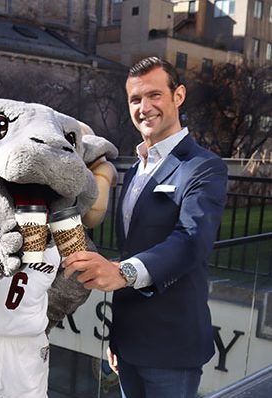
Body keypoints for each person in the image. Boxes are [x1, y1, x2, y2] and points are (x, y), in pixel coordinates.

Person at [62, 56, 228, 398]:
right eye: (135, 99)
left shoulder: (204, 167)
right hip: (129, 344)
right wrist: (118, 338)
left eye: (154, 95)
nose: (144, 107)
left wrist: (120, 273)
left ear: (177, 96)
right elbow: (133, 248)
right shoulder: (136, 170)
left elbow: (191, 241)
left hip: (172, 349)